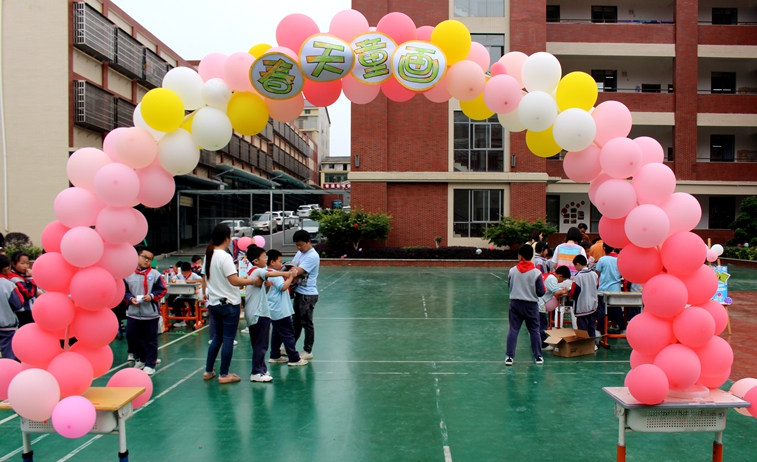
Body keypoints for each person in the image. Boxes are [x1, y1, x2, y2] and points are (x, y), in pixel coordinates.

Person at [203, 224, 263, 384]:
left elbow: (205, 278)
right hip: (229, 304)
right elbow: (234, 280)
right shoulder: (224, 257)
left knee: (217, 338)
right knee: (228, 338)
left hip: (214, 303)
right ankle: (224, 374)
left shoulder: (208, 255)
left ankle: (208, 370)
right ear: (226, 238)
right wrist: (252, 281)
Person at [243, 246, 294, 382]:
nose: (266, 259)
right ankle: (256, 372)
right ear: (255, 261)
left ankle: (261, 369)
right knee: (261, 345)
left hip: (257, 313)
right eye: (264, 257)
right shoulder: (257, 271)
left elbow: (262, 293)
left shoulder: (254, 273)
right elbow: (270, 274)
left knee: (259, 344)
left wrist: (266, 287)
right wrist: (284, 274)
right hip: (259, 314)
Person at [124, 246, 167, 376]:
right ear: (137, 256)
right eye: (144, 257)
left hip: (150, 314)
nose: (147, 261)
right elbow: (123, 291)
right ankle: (141, 359)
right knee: (132, 337)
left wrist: (152, 296)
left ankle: (150, 364)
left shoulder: (155, 275)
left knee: (150, 339)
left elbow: (162, 290)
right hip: (133, 313)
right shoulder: (127, 274)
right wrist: (130, 299)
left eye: (150, 259)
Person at [266, 249, 308, 368]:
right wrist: (290, 277)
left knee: (277, 333)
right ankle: (294, 358)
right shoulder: (277, 275)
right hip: (280, 310)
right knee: (288, 333)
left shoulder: (266, 273)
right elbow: (283, 287)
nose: (281, 264)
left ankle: (275, 355)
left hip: (273, 309)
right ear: (272, 262)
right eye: (279, 261)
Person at [505, 245, 546, 366]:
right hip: (531, 305)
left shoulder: (512, 270)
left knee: (513, 330)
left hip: (515, 303)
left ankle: (509, 357)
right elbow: (541, 292)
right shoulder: (536, 273)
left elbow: (509, 285)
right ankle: (538, 356)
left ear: (520, 256)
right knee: (534, 331)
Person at [289, 230, 320, 360]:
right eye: (297, 245)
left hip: (308, 295)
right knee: (295, 322)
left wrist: (293, 271)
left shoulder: (312, 255)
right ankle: (290, 346)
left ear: (308, 241)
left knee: (307, 323)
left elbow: (297, 271)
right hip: (299, 292)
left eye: (301, 245)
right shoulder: (300, 252)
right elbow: (292, 266)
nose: (299, 248)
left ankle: (308, 350)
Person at [537, 265, 571, 350]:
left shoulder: (549, 275)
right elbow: (557, 292)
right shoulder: (552, 278)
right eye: (562, 280)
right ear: (560, 276)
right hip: (540, 304)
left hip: (540, 303)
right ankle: (542, 344)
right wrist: (565, 291)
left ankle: (539, 342)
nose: (561, 281)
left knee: (540, 324)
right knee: (542, 324)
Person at [568, 255, 599, 347]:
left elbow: (574, 292)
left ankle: (584, 345)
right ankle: (593, 343)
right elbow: (597, 286)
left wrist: (569, 293)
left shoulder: (578, 276)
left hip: (582, 305)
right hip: (593, 305)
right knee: (591, 326)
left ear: (578, 264)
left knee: (582, 328)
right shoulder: (594, 274)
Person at [595, 243, 621, 339]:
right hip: (616, 288)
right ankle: (621, 327)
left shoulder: (602, 259)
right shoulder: (619, 259)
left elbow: (597, 273)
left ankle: (599, 329)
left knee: (602, 309)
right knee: (617, 309)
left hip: (603, 288)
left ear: (604, 248)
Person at [9, 251, 42, 327]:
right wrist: (30, 278)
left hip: (31, 310)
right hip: (24, 312)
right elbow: (29, 293)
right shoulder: (14, 278)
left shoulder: (23, 276)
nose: (26, 266)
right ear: (13, 264)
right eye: (22, 263)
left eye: (27, 263)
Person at [0, 255, 23, 360]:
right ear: (6, 268)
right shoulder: (8, 285)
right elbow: (18, 304)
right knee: (9, 354)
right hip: (7, 325)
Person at [171, 262, 203, 328]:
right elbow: (172, 279)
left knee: (193, 305)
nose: (184, 274)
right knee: (175, 304)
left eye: (186, 272)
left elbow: (201, 280)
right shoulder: (179, 275)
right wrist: (174, 281)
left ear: (189, 271)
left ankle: (196, 321)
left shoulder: (193, 275)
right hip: (182, 295)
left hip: (192, 296)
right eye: (183, 272)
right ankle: (180, 321)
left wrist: (192, 281)